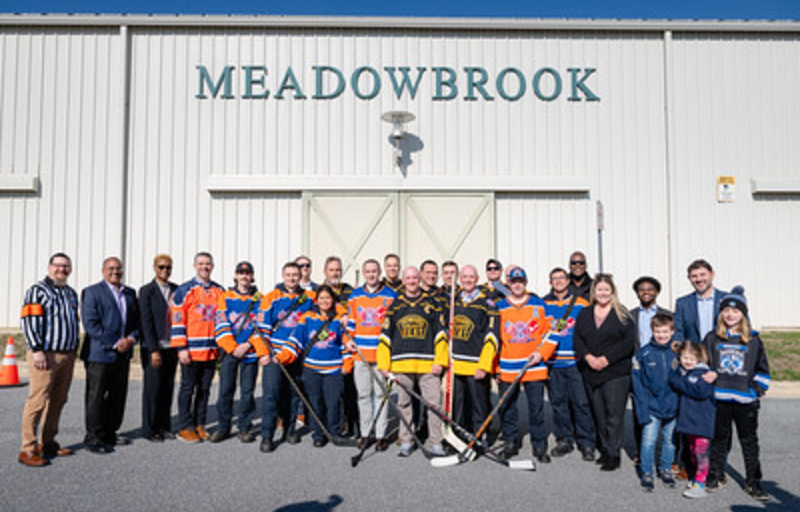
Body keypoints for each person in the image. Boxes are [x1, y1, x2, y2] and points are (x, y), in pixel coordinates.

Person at [704, 286, 770, 501]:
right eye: (726, 310)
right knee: (719, 440)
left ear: (743, 314)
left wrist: (755, 391)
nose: (730, 315)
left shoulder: (753, 340)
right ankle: (716, 475)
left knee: (749, 442)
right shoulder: (712, 338)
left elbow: (763, 370)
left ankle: (753, 481)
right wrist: (707, 379)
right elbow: (704, 364)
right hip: (719, 399)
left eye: (735, 311)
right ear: (721, 313)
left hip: (745, 400)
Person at [378, 266, 448, 457]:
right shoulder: (395, 305)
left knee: (434, 405)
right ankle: (406, 440)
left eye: (414, 278)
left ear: (419, 279)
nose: (411, 281)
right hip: (402, 365)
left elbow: (441, 335)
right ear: (403, 281)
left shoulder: (432, 304)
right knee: (404, 404)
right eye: (408, 278)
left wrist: (440, 361)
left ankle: (436, 442)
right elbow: (385, 337)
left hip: (428, 365)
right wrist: (384, 364)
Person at [18, 253, 80, 467]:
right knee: (38, 400)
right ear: (49, 267)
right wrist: (36, 350)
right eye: (58, 265)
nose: (62, 269)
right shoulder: (38, 291)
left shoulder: (70, 293)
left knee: (59, 399)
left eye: (66, 266)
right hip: (46, 355)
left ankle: (48, 442)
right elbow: (29, 321)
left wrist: (74, 350)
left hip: (67, 354)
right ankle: (28, 448)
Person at [573, 274, 637, 471]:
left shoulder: (622, 313)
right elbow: (577, 339)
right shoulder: (585, 313)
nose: (603, 293)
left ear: (612, 292)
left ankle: (613, 454)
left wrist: (606, 359)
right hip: (591, 371)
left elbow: (628, 342)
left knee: (613, 415)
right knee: (599, 414)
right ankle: (605, 448)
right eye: (599, 290)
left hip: (615, 372)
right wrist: (588, 357)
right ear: (594, 291)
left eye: (606, 290)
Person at [279, 285, 353, 447]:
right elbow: (296, 339)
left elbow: (345, 343)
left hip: (333, 370)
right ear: (316, 300)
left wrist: (347, 364)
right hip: (312, 369)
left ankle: (334, 433)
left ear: (333, 300)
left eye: (328, 298)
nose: (325, 301)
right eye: (321, 298)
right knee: (315, 402)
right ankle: (318, 434)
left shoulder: (339, 320)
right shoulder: (307, 318)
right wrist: (283, 356)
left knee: (333, 403)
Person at [80, 257, 139, 453]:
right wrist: (115, 342)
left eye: (118, 268)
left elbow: (136, 323)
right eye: (111, 268)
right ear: (103, 271)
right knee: (96, 397)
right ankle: (94, 437)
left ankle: (110, 432)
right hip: (99, 354)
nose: (115, 272)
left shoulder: (130, 293)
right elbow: (91, 324)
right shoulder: (92, 292)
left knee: (117, 396)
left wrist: (131, 339)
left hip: (123, 354)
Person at [495, 267, 555, 463]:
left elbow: (552, 332)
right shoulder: (500, 306)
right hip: (508, 367)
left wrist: (542, 353)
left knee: (536, 409)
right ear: (508, 284)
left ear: (526, 282)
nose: (517, 285)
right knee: (508, 408)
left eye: (520, 281)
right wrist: (496, 368)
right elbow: (494, 339)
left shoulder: (539, 304)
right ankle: (510, 443)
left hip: (534, 366)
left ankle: (539, 445)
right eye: (514, 282)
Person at [256, 262, 316, 453]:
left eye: (295, 275)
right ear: (283, 276)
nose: (292, 278)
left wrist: (343, 314)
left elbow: (329, 304)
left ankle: (289, 430)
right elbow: (261, 329)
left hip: (297, 354)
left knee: (293, 394)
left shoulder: (309, 297)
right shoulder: (271, 297)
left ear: (301, 276)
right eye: (288, 275)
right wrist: (263, 353)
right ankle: (267, 435)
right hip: (275, 355)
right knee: (271, 394)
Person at [171, 252, 225, 443]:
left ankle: (199, 423)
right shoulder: (185, 290)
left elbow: (223, 321)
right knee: (188, 388)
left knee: (204, 389)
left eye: (208, 264)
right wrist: (181, 348)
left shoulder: (219, 291)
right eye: (201, 263)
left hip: (211, 351)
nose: (204, 267)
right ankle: (184, 427)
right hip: (191, 351)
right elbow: (177, 320)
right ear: (195, 266)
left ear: (212, 266)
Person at [543, 267, 596, 462]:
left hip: (575, 362)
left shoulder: (581, 303)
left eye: (561, 278)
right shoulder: (543, 304)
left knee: (581, 403)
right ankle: (564, 439)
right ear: (550, 282)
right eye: (554, 278)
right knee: (559, 403)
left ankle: (586, 442)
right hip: (553, 363)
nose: (558, 281)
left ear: (567, 281)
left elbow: (589, 331)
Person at [346, 259, 398, 451]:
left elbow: (394, 326)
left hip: (381, 354)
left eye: (374, 271)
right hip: (360, 354)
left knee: (381, 395)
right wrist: (348, 340)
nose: (371, 275)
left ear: (379, 272)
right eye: (368, 271)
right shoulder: (355, 296)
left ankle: (380, 435)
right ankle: (365, 433)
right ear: (364, 273)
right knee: (363, 395)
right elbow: (351, 323)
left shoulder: (390, 295)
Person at [211, 261, 261, 443]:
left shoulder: (260, 299)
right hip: (229, 352)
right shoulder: (226, 297)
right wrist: (233, 347)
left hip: (250, 351)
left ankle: (244, 427)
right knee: (226, 390)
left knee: (247, 392)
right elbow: (221, 323)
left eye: (247, 273)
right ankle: (223, 427)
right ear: (235, 276)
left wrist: (248, 345)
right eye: (241, 273)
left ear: (252, 276)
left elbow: (262, 327)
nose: (244, 276)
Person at [631, 313, 679, 491]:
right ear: (652, 331)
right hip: (651, 406)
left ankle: (666, 469)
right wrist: (642, 406)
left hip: (672, 405)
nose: (661, 335)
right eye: (657, 331)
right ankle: (646, 472)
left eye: (665, 332)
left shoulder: (678, 353)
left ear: (672, 332)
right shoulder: (643, 354)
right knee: (648, 440)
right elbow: (638, 383)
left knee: (669, 440)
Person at [449, 265, 498, 433]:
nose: (468, 280)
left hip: (476, 365)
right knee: (458, 405)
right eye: (465, 276)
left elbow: (492, 337)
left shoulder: (487, 303)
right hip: (456, 364)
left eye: (471, 277)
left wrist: (484, 366)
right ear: (460, 279)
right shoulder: (454, 301)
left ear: (477, 279)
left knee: (479, 404)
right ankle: (459, 436)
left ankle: (479, 436)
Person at [629, 275, 672, 461]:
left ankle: (668, 455)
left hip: (662, 367)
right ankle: (642, 452)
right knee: (640, 409)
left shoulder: (668, 315)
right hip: (640, 368)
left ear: (657, 292)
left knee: (669, 413)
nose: (646, 292)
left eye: (650, 289)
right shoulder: (630, 315)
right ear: (637, 293)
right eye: (642, 289)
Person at [669, 341, 717, 499]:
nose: (687, 361)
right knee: (692, 450)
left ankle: (700, 483)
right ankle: (695, 476)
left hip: (702, 420)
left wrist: (681, 383)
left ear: (698, 358)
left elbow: (700, 391)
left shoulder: (703, 373)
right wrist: (681, 381)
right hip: (688, 420)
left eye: (691, 358)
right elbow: (676, 381)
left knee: (701, 452)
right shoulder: (682, 373)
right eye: (684, 357)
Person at [139, 254, 178, 442]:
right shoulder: (147, 291)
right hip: (154, 347)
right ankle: (150, 429)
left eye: (168, 267)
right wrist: (153, 350)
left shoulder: (176, 290)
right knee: (153, 389)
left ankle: (164, 426)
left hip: (172, 346)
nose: (165, 271)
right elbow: (146, 322)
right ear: (154, 268)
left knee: (167, 388)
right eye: (161, 267)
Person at [322, 255, 356, 437]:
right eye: (331, 270)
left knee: (349, 388)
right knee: (328, 391)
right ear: (325, 272)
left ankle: (351, 423)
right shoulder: (320, 291)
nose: (335, 273)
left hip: (346, 346)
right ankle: (327, 425)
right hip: (326, 346)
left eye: (338, 270)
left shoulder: (350, 291)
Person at [674, 260, 726, 343]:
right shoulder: (682, 303)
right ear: (689, 278)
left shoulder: (727, 299)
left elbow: (743, 326)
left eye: (703, 275)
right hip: (694, 350)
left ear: (712, 274)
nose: (699, 279)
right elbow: (678, 332)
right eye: (694, 276)